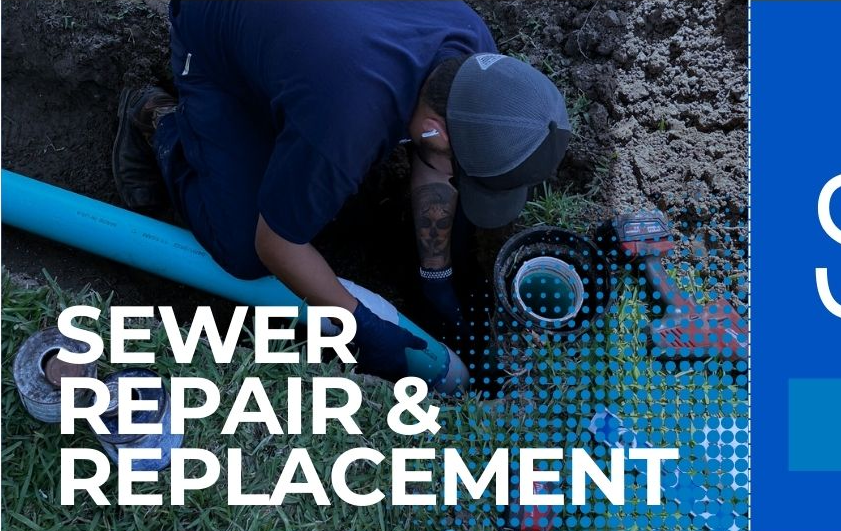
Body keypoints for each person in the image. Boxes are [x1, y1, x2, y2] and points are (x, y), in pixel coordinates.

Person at [111, 1, 571, 383]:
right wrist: (360, 325)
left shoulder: (473, 56)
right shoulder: (345, 125)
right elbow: (276, 245)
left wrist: (437, 280)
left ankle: (279, 98)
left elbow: (434, 159)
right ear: (434, 130)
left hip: (311, 37)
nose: (457, 180)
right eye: (463, 172)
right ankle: (157, 119)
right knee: (240, 249)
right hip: (213, 25)